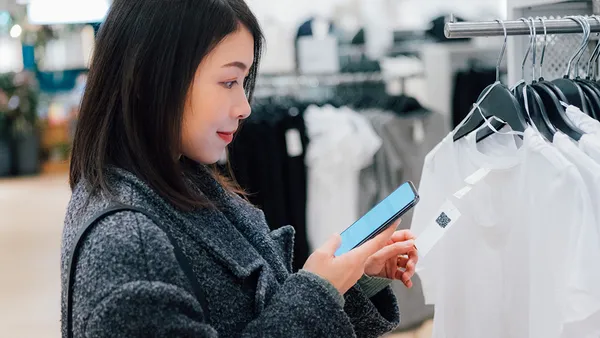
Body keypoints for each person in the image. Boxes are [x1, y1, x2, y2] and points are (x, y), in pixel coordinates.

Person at [61, 0, 419, 337]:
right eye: (229, 82)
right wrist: (317, 291)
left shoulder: (180, 178)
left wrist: (348, 281)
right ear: (150, 76)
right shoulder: (128, 246)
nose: (244, 107)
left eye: (243, 83)